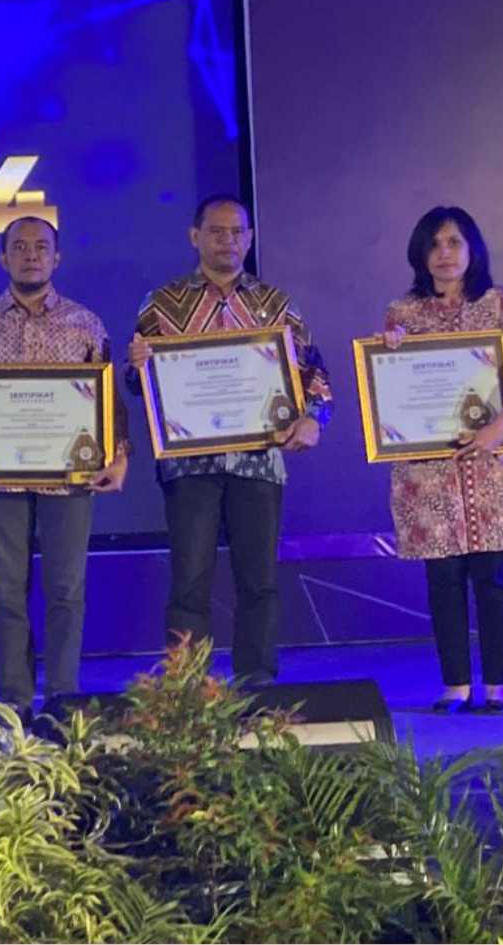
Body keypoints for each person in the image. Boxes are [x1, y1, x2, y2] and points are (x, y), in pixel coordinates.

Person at [127, 195, 331, 686]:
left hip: (258, 462)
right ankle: (187, 690)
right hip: (189, 464)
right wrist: (137, 369)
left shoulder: (275, 305)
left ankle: (257, 684)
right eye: (217, 231)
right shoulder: (162, 303)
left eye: (237, 232)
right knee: (189, 582)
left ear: (250, 238)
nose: (228, 241)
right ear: (194, 236)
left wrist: (313, 419)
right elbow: (140, 385)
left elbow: (314, 373)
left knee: (258, 581)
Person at [0, 217, 129, 723]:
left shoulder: (85, 323)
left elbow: (108, 399)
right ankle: (14, 698)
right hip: (0, 475)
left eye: (41, 247)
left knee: (66, 589)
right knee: (7, 590)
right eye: (19, 247)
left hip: (70, 477)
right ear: (3, 258)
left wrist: (120, 455)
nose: (30, 255)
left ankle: (63, 695)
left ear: (56, 257)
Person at [379, 207, 503, 713]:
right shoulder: (403, 313)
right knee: (443, 581)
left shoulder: (499, 303)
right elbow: (393, 388)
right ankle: (455, 684)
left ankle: (497, 685)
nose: (444, 254)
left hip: (491, 466)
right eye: (434, 244)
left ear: (473, 248)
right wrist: (389, 351)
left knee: (493, 580)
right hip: (429, 474)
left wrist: (498, 427)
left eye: (453, 242)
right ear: (420, 253)